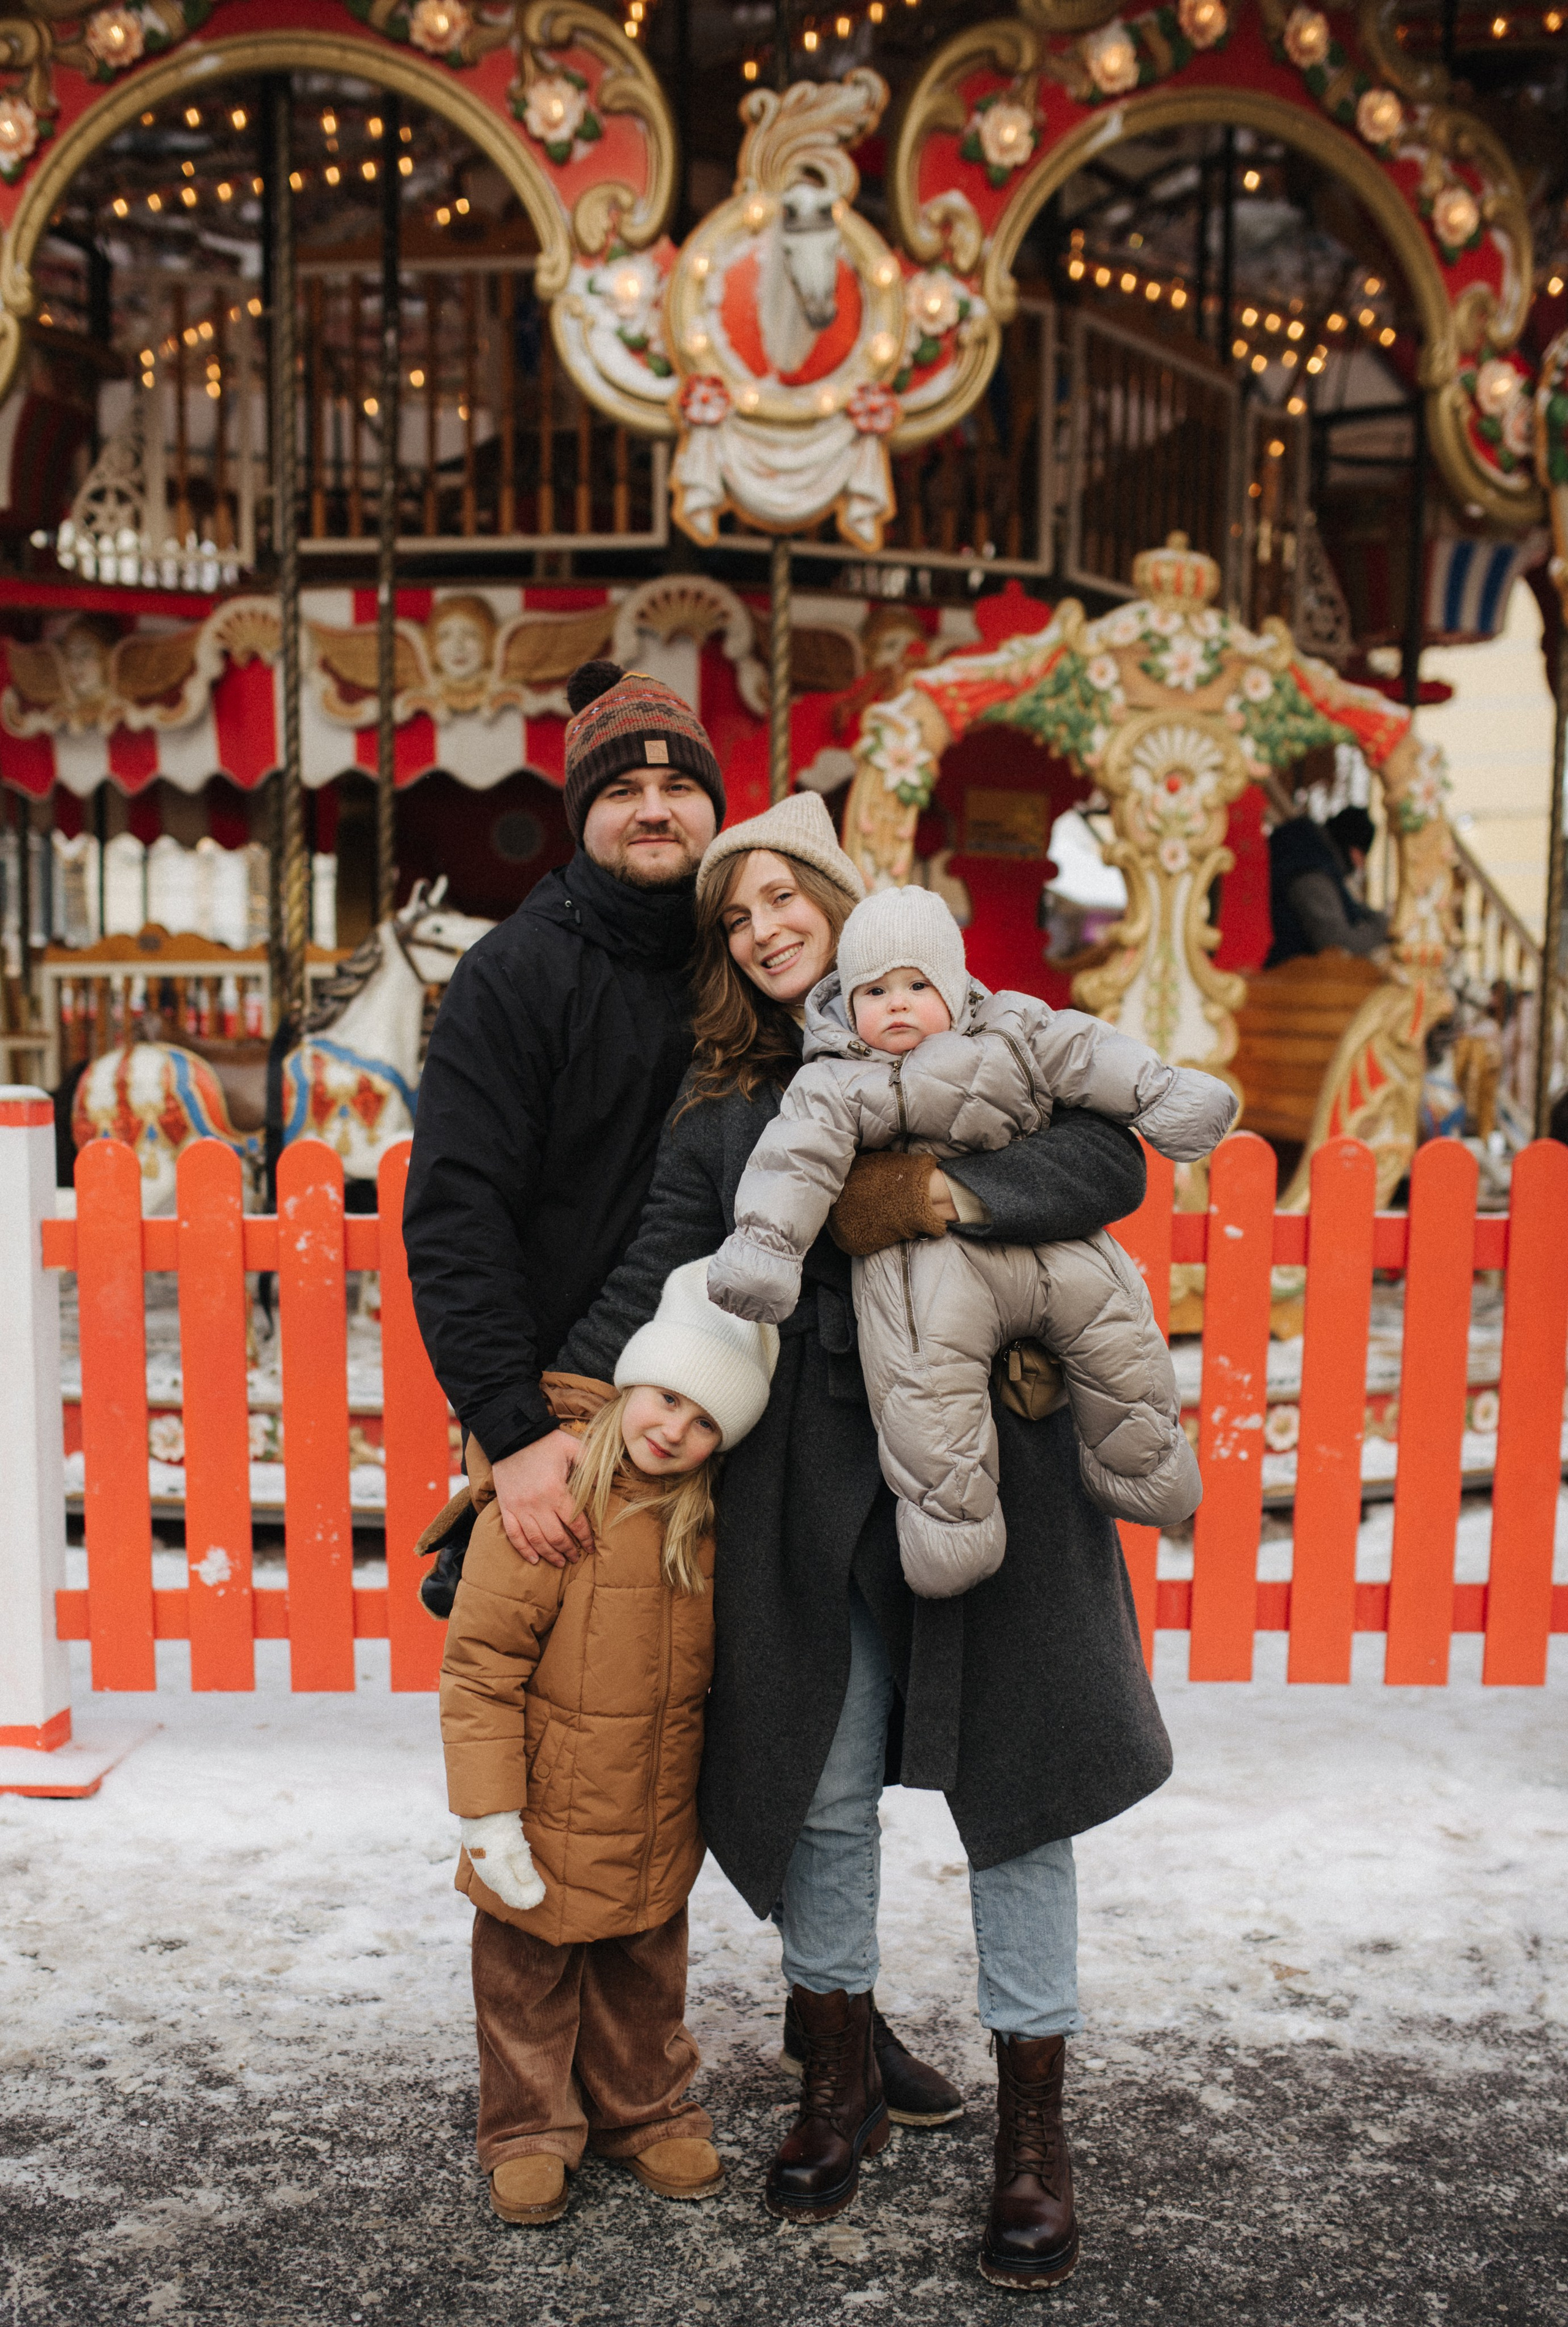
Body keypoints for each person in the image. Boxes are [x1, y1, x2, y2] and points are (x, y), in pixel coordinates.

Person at [559, 791, 1172, 2292]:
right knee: (824, 1786)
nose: (765, 924)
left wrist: (939, 1194)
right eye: (736, 912)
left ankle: (1033, 2127)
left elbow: (1107, 1163)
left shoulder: (972, 1032)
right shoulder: (723, 1116)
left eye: (787, 894)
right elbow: (653, 1273)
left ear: (847, 907)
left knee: (1017, 1793)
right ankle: (834, 2083)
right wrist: (542, 1420)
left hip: (994, 1473)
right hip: (804, 1494)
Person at [405, 668, 960, 2129]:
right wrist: (517, 1433)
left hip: (778, 1395)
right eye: (621, 787)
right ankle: (548, 2089)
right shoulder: (518, 978)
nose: (655, 806)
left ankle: (824, 2013)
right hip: (599, 1410)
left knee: (782, 1716)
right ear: (582, 810)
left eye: (679, 784)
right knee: (586, 1740)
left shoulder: (765, 968)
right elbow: (453, 1211)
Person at [707, 883, 1234, 1597]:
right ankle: (952, 1531)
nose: (896, 1004)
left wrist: (1164, 1094)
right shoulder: (833, 1078)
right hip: (930, 1271)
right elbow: (794, 1161)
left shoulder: (1013, 1026)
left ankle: (1148, 1471)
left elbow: (1090, 1054)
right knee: (926, 1390)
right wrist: (766, 1249)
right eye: (875, 991)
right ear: (847, 1002)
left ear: (955, 988)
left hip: (1049, 1248)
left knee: (1118, 1336)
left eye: (917, 985)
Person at [440, 1262, 778, 2225]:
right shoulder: (548, 1503)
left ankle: (645, 2107)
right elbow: (481, 1667)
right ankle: (529, 2126)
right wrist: (487, 1808)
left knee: (643, 1965)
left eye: (705, 1418)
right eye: (667, 1396)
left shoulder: (706, 1521)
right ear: (634, 1381)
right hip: (542, 1799)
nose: (673, 1427)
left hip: (654, 1798)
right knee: (526, 1971)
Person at [1265, 804, 1389, 967]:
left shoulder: (1314, 859)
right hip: (1285, 980)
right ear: (1355, 852)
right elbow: (1336, 946)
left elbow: (1355, 909)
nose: (1360, 867)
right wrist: (1384, 931)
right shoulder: (1312, 872)